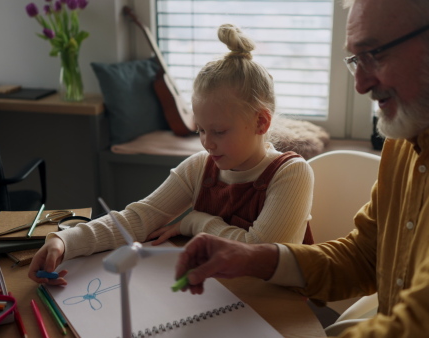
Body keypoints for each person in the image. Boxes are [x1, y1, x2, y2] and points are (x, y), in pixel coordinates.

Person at [175, 0, 429, 337]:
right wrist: (254, 258)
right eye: (355, 60)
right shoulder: (412, 128)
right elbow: (365, 256)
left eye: (375, 54)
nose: (360, 85)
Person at [28, 24, 315, 285]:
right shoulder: (200, 167)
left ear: (260, 122)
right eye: (200, 130)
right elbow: (137, 219)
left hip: (274, 308)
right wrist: (64, 241)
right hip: (218, 295)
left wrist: (195, 222)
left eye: (219, 131)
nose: (207, 143)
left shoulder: (291, 174)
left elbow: (257, 253)